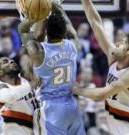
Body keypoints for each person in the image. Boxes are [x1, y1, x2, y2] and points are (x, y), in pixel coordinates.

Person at [73, 0, 129, 135]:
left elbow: (102, 94)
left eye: (123, 43)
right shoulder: (114, 58)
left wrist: (74, 89)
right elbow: (95, 23)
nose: (117, 43)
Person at [18, 2, 86, 135]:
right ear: (64, 31)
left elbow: (23, 29)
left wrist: (37, 15)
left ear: (47, 31)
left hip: (50, 109)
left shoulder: (39, 52)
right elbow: (69, 27)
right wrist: (54, 5)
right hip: (71, 105)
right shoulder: (74, 45)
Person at [0, 57, 40, 135]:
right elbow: (10, 96)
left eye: (11, 60)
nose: (11, 61)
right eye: (5, 62)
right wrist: (33, 83)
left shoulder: (26, 78)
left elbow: (36, 58)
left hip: (37, 130)